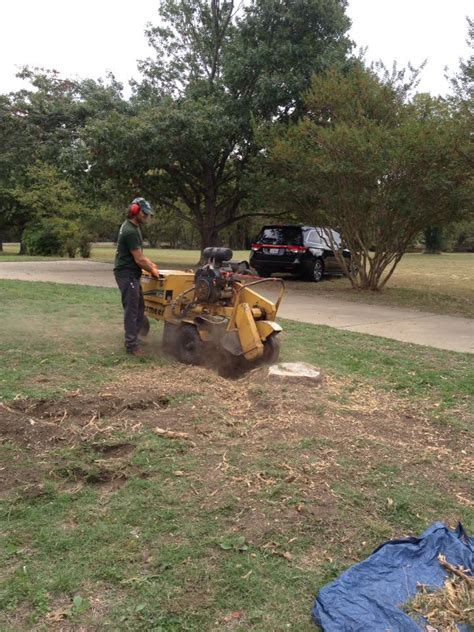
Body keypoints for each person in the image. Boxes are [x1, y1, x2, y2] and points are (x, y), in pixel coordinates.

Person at [114, 197, 160, 356]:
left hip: (131, 273)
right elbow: (139, 259)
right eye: (144, 213)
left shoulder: (133, 227)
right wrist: (153, 271)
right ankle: (131, 346)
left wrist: (151, 264)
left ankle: (137, 337)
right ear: (135, 211)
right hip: (126, 274)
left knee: (140, 307)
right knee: (132, 309)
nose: (147, 216)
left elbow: (140, 255)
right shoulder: (130, 231)